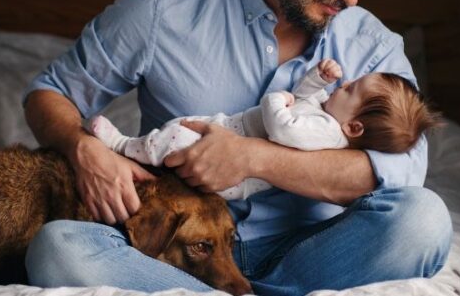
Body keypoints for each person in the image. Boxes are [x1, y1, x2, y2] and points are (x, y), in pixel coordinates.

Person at [21, 0, 453, 296]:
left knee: (423, 220)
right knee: (58, 249)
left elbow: (399, 173)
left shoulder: (372, 44)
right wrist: (84, 150)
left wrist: (252, 159)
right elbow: (50, 93)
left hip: (312, 254)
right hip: (177, 250)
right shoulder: (162, 10)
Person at [88, 58, 441, 201]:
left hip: (235, 175)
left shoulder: (325, 132)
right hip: (227, 132)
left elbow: (284, 127)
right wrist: (317, 80)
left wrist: (277, 99)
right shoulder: (328, 117)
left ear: (354, 126)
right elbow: (306, 100)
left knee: (176, 139)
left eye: (349, 90)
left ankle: (122, 146)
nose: (342, 85)